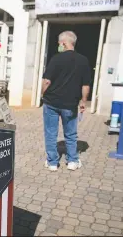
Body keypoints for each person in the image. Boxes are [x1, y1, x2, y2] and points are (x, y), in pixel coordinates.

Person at [41, 31, 91, 172]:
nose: (58, 46)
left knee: (51, 133)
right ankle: (72, 161)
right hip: (70, 104)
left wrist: (42, 95)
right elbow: (85, 85)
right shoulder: (83, 60)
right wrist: (83, 101)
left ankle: (52, 163)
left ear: (63, 43)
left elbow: (47, 81)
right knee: (71, 133)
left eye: (59, 44)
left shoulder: (55, 59)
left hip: (51, 102)